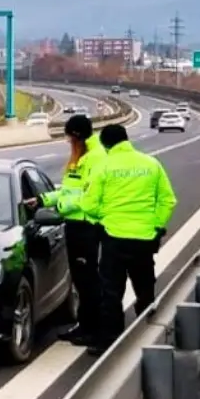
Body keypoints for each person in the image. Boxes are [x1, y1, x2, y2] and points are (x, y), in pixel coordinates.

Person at [60, 123, 176, 355]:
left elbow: (90, 205)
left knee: (111, 291)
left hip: (113, 237)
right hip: (144, 238)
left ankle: (110, 341)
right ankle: (151, 334)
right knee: (144, 287)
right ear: (126, 140)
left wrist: (103, 217)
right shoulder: (151, 164)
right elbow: (168, 200)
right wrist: (155, 225)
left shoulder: (104, 167)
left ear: (105, 144)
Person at [32, 114, 105, 346]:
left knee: (88, 281)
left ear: (77, 136)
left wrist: (61, 207)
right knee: (81, 281)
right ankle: (84, 326)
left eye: (69, 137)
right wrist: (43, 200)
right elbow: (68, 190)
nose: (67, 142)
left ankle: (94, 330)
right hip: (75, 226)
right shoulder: (80, 157)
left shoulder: (95, 159)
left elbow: (89, 197)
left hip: (86, 226)